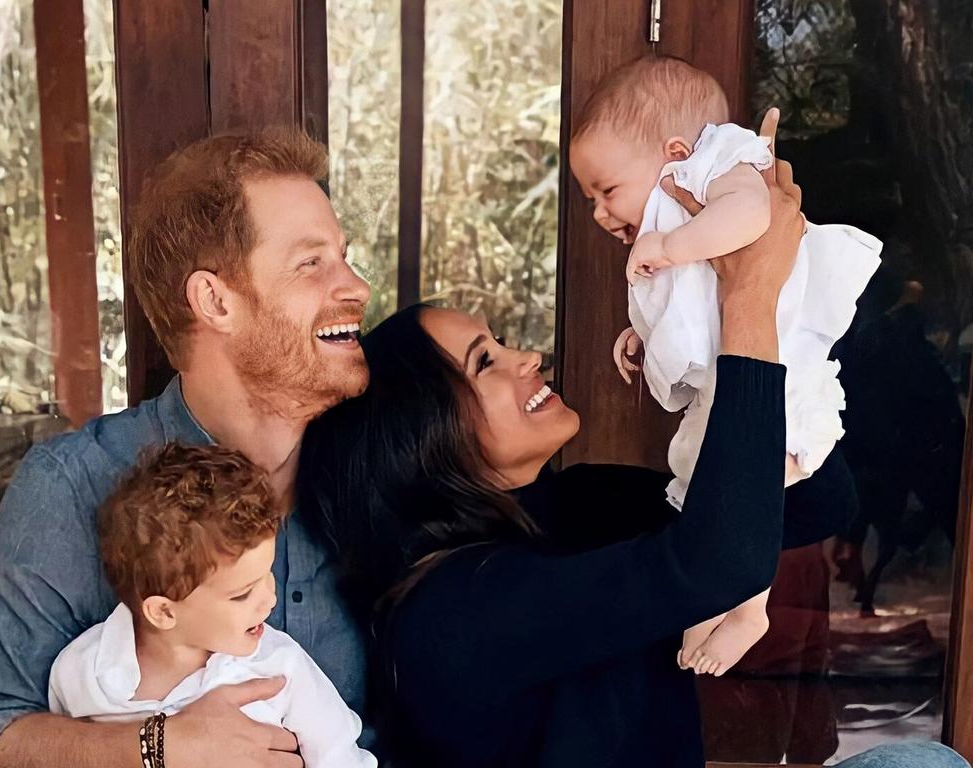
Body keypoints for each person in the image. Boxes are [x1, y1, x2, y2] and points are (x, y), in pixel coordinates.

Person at [298, 114, 969, 768]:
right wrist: (748, 300)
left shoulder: (577, 504)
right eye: (485, 362)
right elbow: (723, 563)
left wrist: (734, 323)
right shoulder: (453, 612)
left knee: (921, 761)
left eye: (500, 344)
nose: (525, 358)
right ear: (420, 441)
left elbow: (817, 504)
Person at [0, 128, 370, 768]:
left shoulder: (371, 470)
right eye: (312, 263)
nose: (357, 286)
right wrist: (158, 746)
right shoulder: (73, 486)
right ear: (213, 300)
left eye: (343, 256)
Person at [568, 55, 883, 675]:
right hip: (734, 374)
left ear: (676, 151)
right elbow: (693, 302)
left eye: (607, 191)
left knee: (753, 478)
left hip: (781, 367)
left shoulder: (722, 164)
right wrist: (641, 332)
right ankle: (715, 592)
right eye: (590, 201)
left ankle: (749, 605)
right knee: (700, 479)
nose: (602, 214)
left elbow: (752, 217)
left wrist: (669, 245)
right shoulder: (676, 210)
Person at [48, 443, 376, 768]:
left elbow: (339, 755)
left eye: (268, 575)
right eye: (242, 593)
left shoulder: (278, 666)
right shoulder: (80, 673)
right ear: (163, 611)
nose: (270, 599)